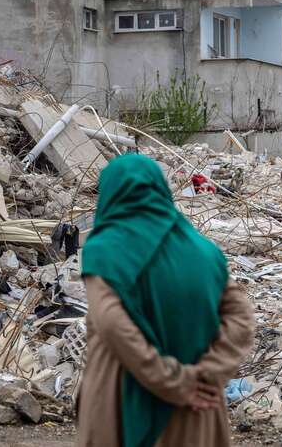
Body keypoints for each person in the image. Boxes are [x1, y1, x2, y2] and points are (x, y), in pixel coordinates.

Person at [77, 154, 255, 447]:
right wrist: (208, 375)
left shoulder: (105, 249)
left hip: (122, 398)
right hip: (197, 408)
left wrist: (174, 382)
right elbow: (242, 320)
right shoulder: (204, 252)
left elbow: (112, 325)